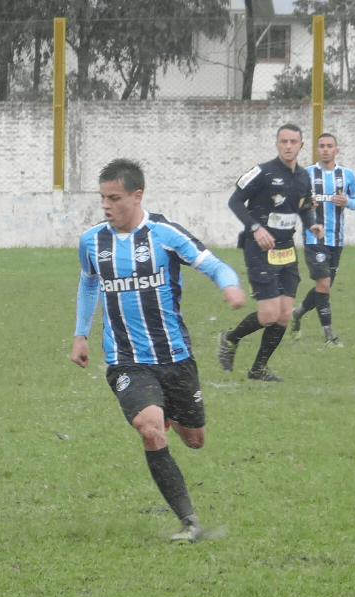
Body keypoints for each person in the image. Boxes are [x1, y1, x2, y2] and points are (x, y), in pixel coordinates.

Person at [71, 158, 245, 543]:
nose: (106, 206)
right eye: (102, 198)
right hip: (126, 359)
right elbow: (88, 285)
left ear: (137, 196)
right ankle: (189, 522)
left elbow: (213, 264)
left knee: (194, 439)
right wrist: (80, 334)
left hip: (175, 357)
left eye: (114, 198)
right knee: (149, 429)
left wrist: (229, 286)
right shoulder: (91, 242)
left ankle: (165, 414)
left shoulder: (164, 234)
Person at [217, 123, 324, 382]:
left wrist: (312, 223)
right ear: (277, 144)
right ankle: (230, 339)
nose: (288, 146)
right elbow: (234, 201)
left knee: (285, 314)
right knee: (268, 315)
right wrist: (255, 228)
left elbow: (305, 206)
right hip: (259, 248)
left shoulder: (303, 177)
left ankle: (258, 369)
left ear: (300, 145)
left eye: (293, 142)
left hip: (286, 250)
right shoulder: (263, 172)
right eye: (283, 141)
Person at [289, 133, 355, 346]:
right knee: (323, 284)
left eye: (329, 146)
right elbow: (293, 201)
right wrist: (305, 204)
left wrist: (347, 201)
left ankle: (297, 313)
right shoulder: (306, 174)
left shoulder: (346, 174)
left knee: (325, 287)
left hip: (337, 240)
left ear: (336, 150)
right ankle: (330, 336)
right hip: (314, 239)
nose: (325, 150)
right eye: (321, 146)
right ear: (316, 150)